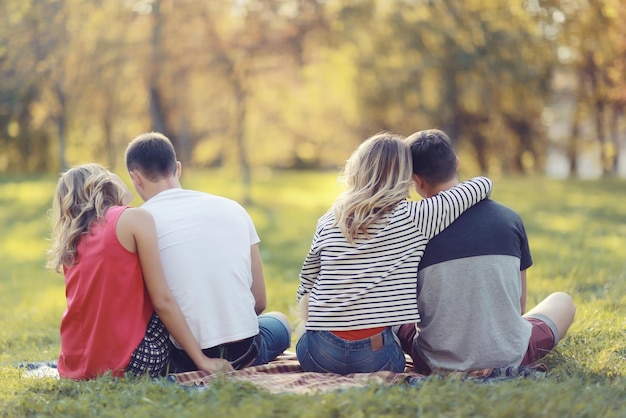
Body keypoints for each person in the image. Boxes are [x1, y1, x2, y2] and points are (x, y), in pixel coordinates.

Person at [295, 132, 493, 375]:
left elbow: (306, 283)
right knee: (394, 344)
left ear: (356, 171)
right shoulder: (415, 218)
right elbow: (482, 184)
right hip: (375, 357)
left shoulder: (328, 221)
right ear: (406, 177)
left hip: (318, 353)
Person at [396, 129, 576, 374]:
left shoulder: (410, 229)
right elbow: (519, 308)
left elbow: (408, 308)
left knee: (390, 315)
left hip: (435, 363)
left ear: (415, 180)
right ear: (457, 163)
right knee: (562, 301)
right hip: (510, 355)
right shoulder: (509, 218)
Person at [124, 132, 291, 372]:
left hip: (185, 356)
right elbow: (259, 301)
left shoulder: (139, 223)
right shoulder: (233, 208)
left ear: (136, 178)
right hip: (245, 351)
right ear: (177, 168)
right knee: (280, 322)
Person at [47, 164, 232, 380]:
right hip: (131, 363)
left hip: (74, 365)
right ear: (104, 184)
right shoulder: (133, 218)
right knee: (175, 291)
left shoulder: (73, 240)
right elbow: (162, 300)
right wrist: (202, 360)